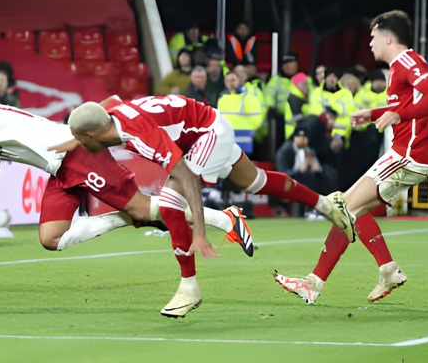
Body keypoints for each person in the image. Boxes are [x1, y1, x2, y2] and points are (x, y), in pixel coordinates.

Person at [0, 84, 255, 270]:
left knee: (144, 207)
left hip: (77, 155)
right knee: (50, 239)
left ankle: (225, 219)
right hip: (58, 170)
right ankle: (128, 216)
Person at [66, 93, 356, 318]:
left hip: (207, 133)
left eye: (80, 141)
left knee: (169, 203)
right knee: (256, 181)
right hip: (204, 124)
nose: (78, 147)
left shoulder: (140, 135)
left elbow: (187, 177)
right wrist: (71, 137)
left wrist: (200, 233)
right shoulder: (112, 114)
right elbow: (109, 102)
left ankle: (189, 288)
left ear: (91, 135)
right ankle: (326, 203)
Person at [274, 10, 428, 305]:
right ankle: (388, 269)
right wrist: (374, 114)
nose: (369, 44)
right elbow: (406, 105)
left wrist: (396, 113)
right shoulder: (398, 67)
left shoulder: (407, 62)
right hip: (406, 154)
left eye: (373, 36)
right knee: (351, 209)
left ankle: (313, 283)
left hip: (408, 155)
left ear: (389, 36)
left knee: (343, 208)